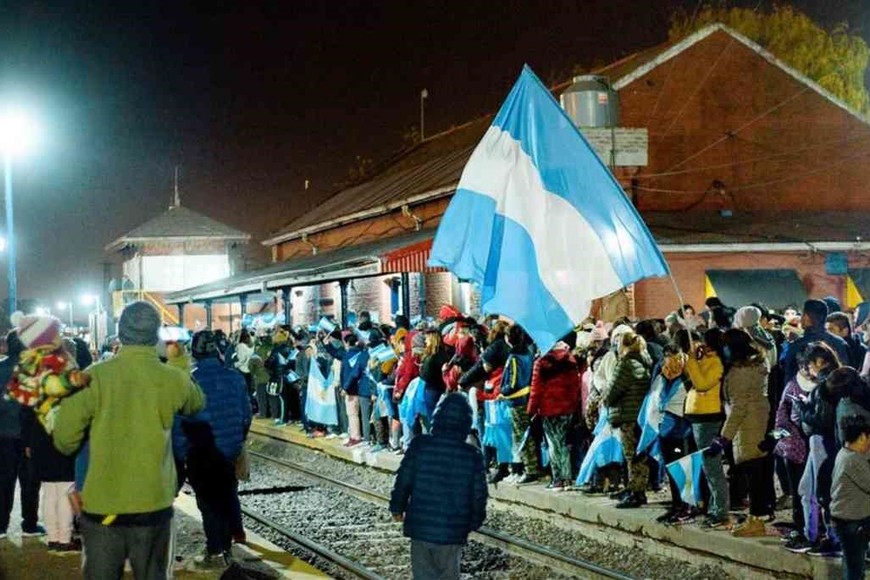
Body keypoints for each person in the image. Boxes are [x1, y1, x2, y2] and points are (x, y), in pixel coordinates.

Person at [53, 301, 205, 580]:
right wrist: (179, 361)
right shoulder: (172, 378)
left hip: (103, 507)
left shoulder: (93, 376)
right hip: (153, 503)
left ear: (120, 333)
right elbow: (196, 403)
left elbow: (64, 438)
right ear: (156, 335)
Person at [173, 330, 252, 568]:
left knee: (208, 502)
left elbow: (179, 422)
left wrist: (179, 453)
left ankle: (217, 550)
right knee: (227, 495)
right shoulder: (235, 377)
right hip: (229, 450)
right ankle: (226, 545)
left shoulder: (189, 381)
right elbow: (246, 414)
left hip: (200, 451)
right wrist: (238, 441)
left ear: (195, 353)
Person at [390, 393, 487, 580]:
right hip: (452, 530)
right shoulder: (472, 455)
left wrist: (397, 507)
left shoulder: (420, 445)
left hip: (421, 527)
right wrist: (474, 521)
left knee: (423, 574)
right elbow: (478, 495)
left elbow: (403, 480)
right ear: (465, 423)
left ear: (437, 417)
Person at [711, 329, 771, 537]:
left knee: (753, 474)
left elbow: (738, 407)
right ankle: (759, 517)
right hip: (758, 421)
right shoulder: (757, 365)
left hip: (748, 427)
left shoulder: (740, 372)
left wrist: (723, 438)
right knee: (758, 474)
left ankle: (756, 521)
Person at [793, 342, 844, 556]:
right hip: (821, 440)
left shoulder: (827, 384)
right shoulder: (835, 380)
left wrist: (802, 408)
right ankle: (812, 535)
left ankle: (831, 540)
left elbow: (822, 420)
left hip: (823, 441)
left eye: (809, 365)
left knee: (821, 491)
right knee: (807, 489)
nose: (808, 370)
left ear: (820, 362)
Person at [0, 330, 43, 539]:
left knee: (3, 481)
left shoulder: (0, 369)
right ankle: (30, 523)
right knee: (30, 481)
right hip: (29, 436)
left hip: (3, 434)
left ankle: (1, 524)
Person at [684, 328, 728, 529]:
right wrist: (693, 359)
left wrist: (693, 361)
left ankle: (720, 511)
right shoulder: (706, 359)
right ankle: (712, 508)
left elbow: (701, 384)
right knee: (705, 467)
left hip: (709, 418)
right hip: (698, 417)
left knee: (712, 467)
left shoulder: (717, 363)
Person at [605, 331, 652, 508]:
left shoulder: (626, 364)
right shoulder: (644, 361)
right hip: (640, 414)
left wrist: (605, 399)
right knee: (639, 455)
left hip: (628, 414)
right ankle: (635, 488)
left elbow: (613, 390)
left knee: (632, 456)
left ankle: (636, 493)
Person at [528, 337, 581, 491]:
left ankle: (557, 480)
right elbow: (575, 386)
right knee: (564, 443)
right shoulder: (570, 360)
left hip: (548, 409)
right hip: (567, 409)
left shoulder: (541, 361)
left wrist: (531, 410)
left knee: (553, 443)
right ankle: (567, 479)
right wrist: (573, 405)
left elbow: (535, 389)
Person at [831, 415, 870, 580]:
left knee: (852, 563)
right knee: (855, 570)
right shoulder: (853, 460)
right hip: (851, 522)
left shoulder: (844, 453)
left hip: (845, 520)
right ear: (862, 437)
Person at [498, 325, 537, 484]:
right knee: (525, 435)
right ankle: (530, 467)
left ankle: (530, 469)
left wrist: (503, 392)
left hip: (517, 400)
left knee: (521, 435)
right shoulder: (528, 353)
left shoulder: (514, 357)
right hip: (525, 397)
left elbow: (513, 382)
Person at [782, 299, 849, 385]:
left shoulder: (797, 345)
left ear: (806, 317)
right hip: (834, 393)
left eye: (802, 314)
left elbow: (789, 378)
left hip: (803, 396)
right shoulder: (840, 343)